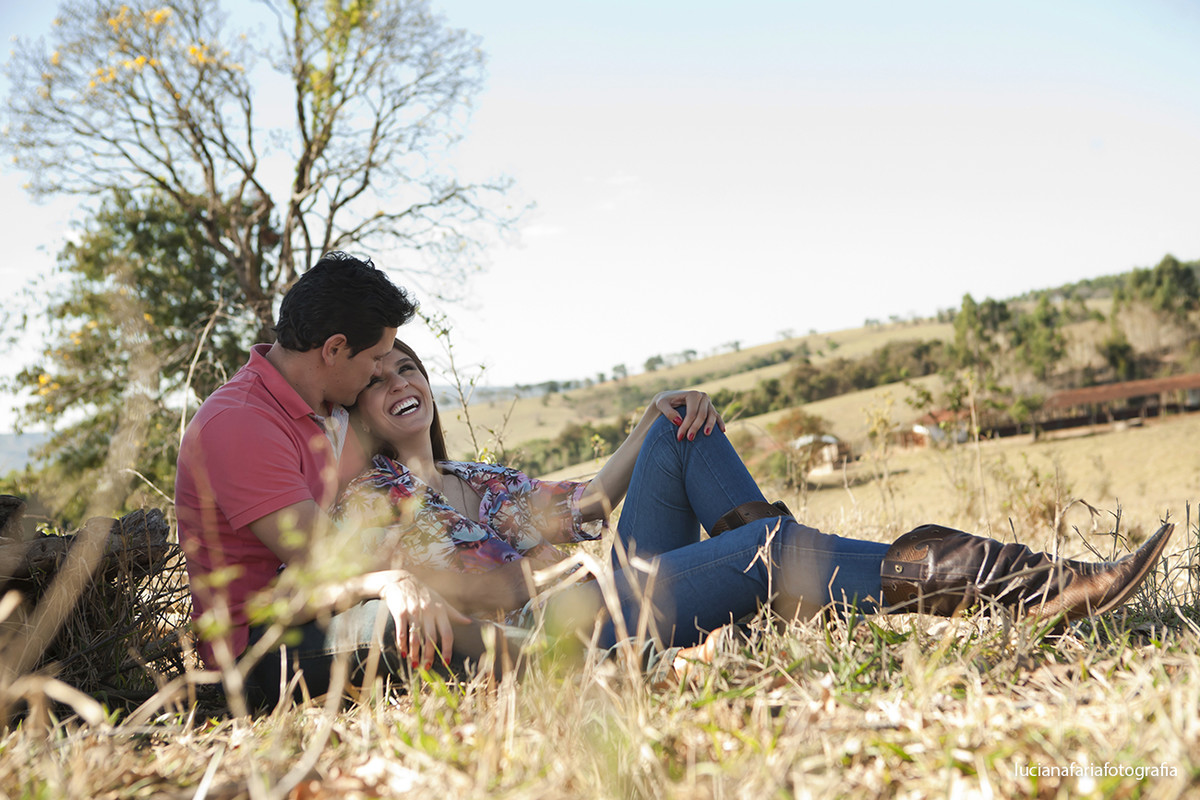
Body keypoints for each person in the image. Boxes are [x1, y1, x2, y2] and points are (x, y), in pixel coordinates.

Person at [335, 339, 1175, 663]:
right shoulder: (372, 496)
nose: (400, 382)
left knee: (680, 432)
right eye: (377, 380)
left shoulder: (482, 480)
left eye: (408, 367)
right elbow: (350, 583)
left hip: (606, 587)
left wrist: (654, 416)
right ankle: (1030, 585)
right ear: (360, 414)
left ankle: (778, 589)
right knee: (767, 550)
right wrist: (394, 584)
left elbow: (590, 498)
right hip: (564, 633)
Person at [176, 252, 475, 708]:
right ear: (334, 349)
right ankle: (568, 654)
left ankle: (580, 634)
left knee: (443, 602)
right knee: (405, 625)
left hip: (323, 608)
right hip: (258, 652)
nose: (379, 369)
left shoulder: (328, 412)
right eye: (376, 357)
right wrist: (392, 580)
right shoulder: (240, 423)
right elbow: (327, 563)